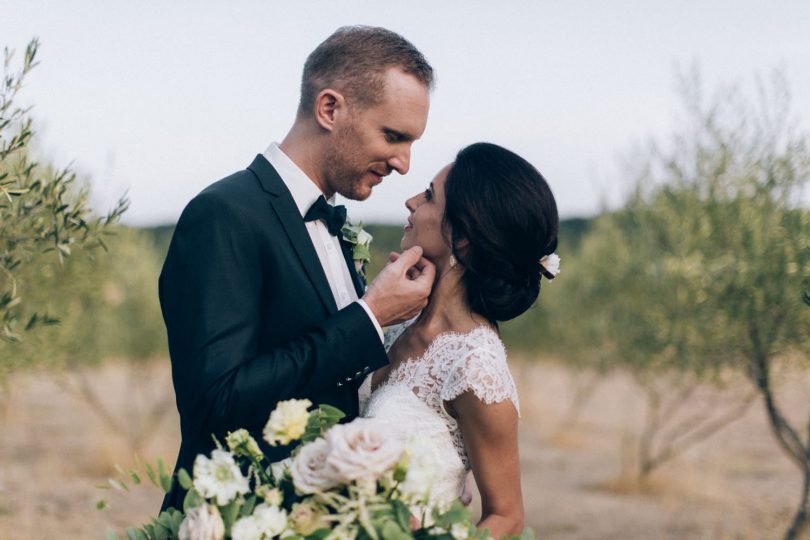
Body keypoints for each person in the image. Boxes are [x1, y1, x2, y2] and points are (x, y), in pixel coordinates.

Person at [159, 26, 436, 511]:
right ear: (330, 108)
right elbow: (214, 403)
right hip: (234, 516)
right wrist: (370, 317)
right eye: (393, 136)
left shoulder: (337, 223)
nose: (404, 163)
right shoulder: (223, 214)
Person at [359, 142, 559, 539]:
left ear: (462, 235)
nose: (411, 201)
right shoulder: (397, 321)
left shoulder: (474, 364)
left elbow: (507, 516)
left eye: (430, 196)